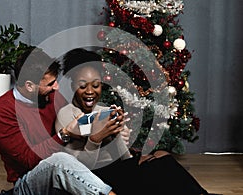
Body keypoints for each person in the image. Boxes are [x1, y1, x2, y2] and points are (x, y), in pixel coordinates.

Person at [55, 48, 211, 195]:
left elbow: (124, 157)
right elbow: (78, 170)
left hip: (118, 168)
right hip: (94, 177)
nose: (90, 91)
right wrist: (96, 138)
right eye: (82, 85)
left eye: (96, 85)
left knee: (162, 156)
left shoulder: (103, 110)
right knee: (158, 169)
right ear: (72, 85)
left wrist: (118, 135)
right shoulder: (66, 115)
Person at [0, 47, 117, 195]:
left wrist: (103, 127)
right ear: (29, 86)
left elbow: (72, 127)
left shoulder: (51, 97)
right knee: (60, 160)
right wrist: (64, 134)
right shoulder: (1, 111)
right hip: (30, 180)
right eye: (50, 84)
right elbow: (29, 160)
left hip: (66, 172)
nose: (57, 87)